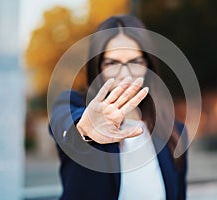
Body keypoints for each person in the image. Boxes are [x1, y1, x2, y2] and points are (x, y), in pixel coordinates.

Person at [49, 15, 187, 200]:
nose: (125, 73)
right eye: (112, 63)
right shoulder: (72, 104)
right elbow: (62, 121)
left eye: (135, 61)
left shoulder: (173, 132)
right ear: (97, 67)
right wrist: (84, 129)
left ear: (148, 66)